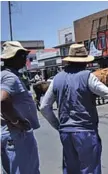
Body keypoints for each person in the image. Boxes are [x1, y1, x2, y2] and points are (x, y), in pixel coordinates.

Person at [39, 44, 108, 174]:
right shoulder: (87, 77)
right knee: (90, 169)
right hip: (85, 132)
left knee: (71, 170)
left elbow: (44, 107)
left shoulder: (56, 79)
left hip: (66, 133)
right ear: (84, 62)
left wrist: (59, 126)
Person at [1, 41, 41, 173]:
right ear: (15, 57)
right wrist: (17, 121)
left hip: (7, 133)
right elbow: (2, 100)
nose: (25, 59)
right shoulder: (10, 77)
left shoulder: (3, 75)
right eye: (23, 56)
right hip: (17, 134)